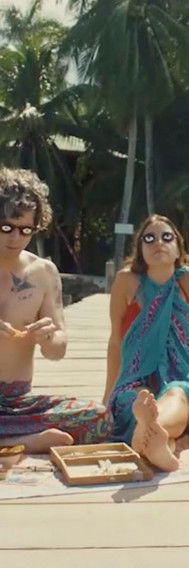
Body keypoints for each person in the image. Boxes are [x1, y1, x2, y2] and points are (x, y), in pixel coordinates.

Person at [104, 215, 189, 471]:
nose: (158, 243)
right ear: (140, 248)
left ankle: (151, 429)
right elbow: (116, 342)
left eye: (166, 237)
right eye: (149, 238)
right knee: (136, 400)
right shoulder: (126, 281)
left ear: (178, 247)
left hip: (187, 377)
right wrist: (108, 394)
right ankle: (162, 444)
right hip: (137, 379)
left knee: (179, 394)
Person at [0, 167, 111, 452]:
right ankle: (21, 442)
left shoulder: (43, 273)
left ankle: (13, 439)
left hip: (16, 402)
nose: (15, 238)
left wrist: (48, 337)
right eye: (7, 228)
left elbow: (57, 350)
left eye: (26, 230)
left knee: (98, 418)